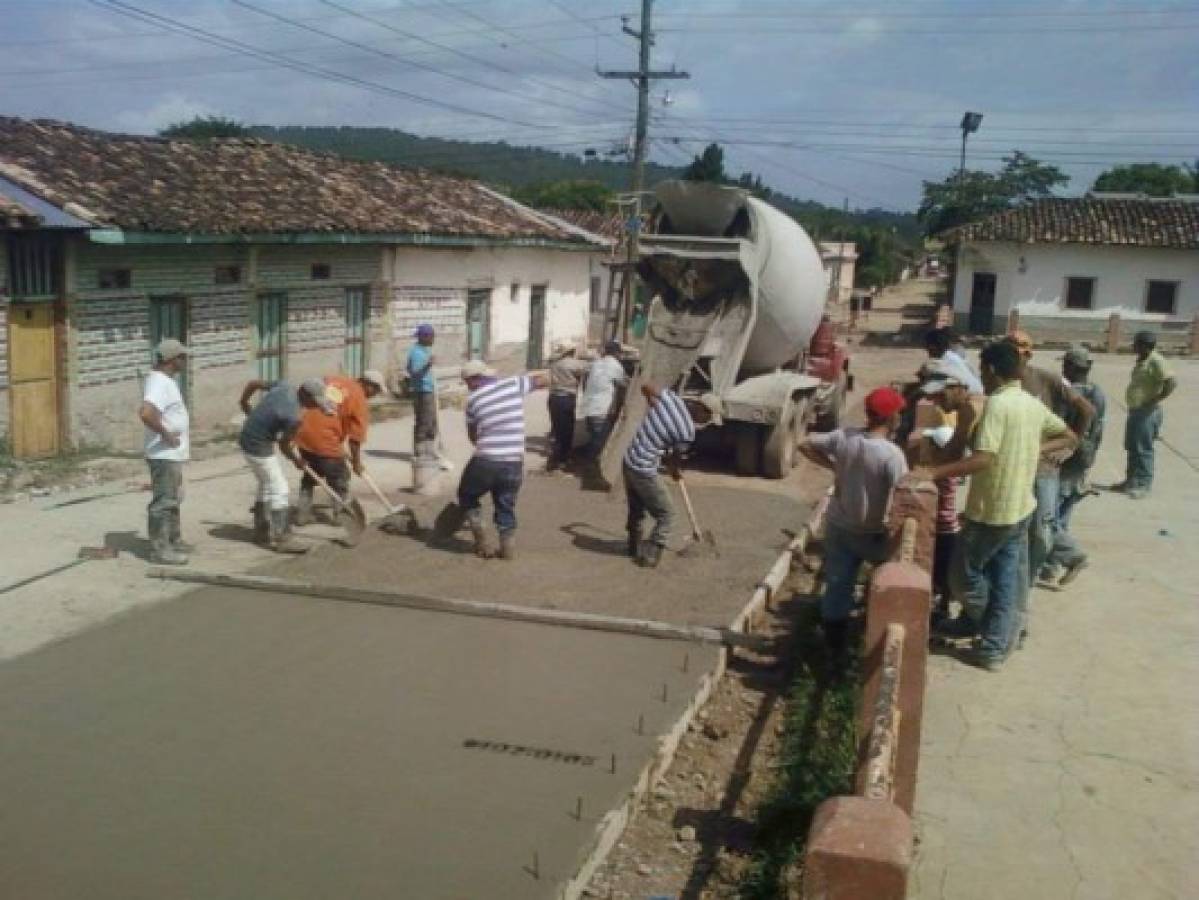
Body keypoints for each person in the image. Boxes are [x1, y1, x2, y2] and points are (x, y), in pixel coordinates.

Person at [917, 341, 1077, 672]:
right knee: (1005, 578)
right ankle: (994, 642)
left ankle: (994, 628)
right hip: (1020, 506)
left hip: (993, 509)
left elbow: (983, 459)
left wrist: (932, 473)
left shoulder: (998, 406)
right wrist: (1033, 448)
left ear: (990, 370)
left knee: (962, 577)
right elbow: (1070, 436)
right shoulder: (1029, 404)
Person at [800, 387, 909, 659]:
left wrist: (833, 467)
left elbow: (805, 444)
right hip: (873, 532)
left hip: (839, 524)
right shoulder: (891, 455)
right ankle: (874, 636)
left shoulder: (845, 437)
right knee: (888, 576)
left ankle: (833, 648)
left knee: (838, 584)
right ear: (892, 417)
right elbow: (903, 493)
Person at [1006, 329, 1094, 591]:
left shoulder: (1046, 378)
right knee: (1021, 523)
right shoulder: (1001, 381)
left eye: (1020, 354)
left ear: (1028, 355)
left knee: (1042, 527)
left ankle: (1062, 561)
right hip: (1014, 465)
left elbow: (1087, 410)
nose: (1016, 360)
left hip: (1043, 466)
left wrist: (1071, 442)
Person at [458, 360, 549, 561]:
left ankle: (481, 542)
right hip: (514, 461)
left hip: (486, 460)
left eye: (467, 382)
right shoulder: (512, 385)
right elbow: (543, 380)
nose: (467, 386)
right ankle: (507, 550)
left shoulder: (472, 401)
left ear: (473, 381)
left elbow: (473, 436)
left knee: (467, 495)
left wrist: (484, 445)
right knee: (505, 504)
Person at [622, 385, 722, 569]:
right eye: (708, 417)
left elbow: (646, 386)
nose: (707, 423)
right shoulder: (687, 432)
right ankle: (652, 554)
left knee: (637, 508)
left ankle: (633, 545)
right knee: (667, 514)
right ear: (702, 409)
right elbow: (672, 461)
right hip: (644, 469)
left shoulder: (671, 399)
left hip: (629, 461)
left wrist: (653, 405)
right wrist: (675, 471)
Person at [913, 363, 982, 615]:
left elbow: (975, 460)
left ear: (958, 388)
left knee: (968, 575)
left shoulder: (976, 410)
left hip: (992, 505)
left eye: (941, 395)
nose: (937, 402)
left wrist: (931, 472)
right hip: (976, 504)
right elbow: (953, 451)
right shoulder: (964, 413)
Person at [238, 378, 337, 553]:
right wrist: (297, 460)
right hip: (257, 444)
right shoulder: (293, 416)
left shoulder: (285, 386)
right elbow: (284, 445)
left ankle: (261, 531)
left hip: (247, 436)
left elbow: (253, 383)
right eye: (314, 402)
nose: (315, 406)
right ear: (305, 394)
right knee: (280, 488)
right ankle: (281, 538)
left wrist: (244, 401)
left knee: (266, 484)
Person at [1043, 346, 1105, 585]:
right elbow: (1099, 430)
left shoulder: (1066, 393)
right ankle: (1052, 564)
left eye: (1065, 364)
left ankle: (1064, 559)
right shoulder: (1097, 393)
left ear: (1071, 366)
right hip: (1083, 457)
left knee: (1047, 514)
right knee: (1063, 512)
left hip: (1063, 457)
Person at [292, 370, 385, 525]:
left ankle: (302, 513)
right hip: (326, 441)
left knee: (311, 473)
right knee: (340, 478)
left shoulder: (333, 379)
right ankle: (342, 516)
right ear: (369, 386)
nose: (374, 395)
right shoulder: (359, 400)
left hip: (303, 434)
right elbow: (355, 439)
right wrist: (356, 462)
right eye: (376, 391)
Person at [138, 338, 192, 566]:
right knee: (164, 501)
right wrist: (167, 434)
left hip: (172, 454)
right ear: (172, 359)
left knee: (174, 498)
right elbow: (146, 413)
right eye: (182, 357)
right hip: (164, 454)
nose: (185, 361)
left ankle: (173, 539)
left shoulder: (164, 381)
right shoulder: (159, 382)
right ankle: (161, 550)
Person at [1114, 330, 1177, 499]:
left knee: (1143, 449)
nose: (1134, 346)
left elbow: (1171, 382)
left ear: (1145, 346)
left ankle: (1143, 484)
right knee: (1132, 447)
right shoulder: (1142, 360)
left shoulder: (1156, 361)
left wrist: (1156, 399)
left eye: (1136, 344)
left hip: (1147, 413)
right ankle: (1131, 481)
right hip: (1135, 410)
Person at [580, 340, 629, 462]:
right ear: (617, 353)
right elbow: (623, 384)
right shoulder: (616, 366)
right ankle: (591, 467)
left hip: (589, 406)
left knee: (594, 437)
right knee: (600, 441)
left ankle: (588, 462)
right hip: (602, 408)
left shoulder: (596, 363)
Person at [545, 341, 588, 471]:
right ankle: (562, 459)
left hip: (553, 398)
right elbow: (587, 370)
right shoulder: (574, 364)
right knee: (567, 430)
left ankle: (556, 458)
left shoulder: (555, 364)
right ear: (572, 351)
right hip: (566, 398)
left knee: (557, 429)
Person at [923, 327, 984, 395]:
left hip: (971, 397)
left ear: (932, 347)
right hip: (978, 391)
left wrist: (914, 397)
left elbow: (929, 388)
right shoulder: (952, 356)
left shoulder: (941, 363)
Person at [407, 324, 437, 459]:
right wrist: (428, 365)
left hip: (428, 389)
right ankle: (420, 451)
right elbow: (414, 372)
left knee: (431, 421)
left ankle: (430, 450)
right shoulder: (416, 353)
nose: (433, 339)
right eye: (431, 336)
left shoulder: (424, 350)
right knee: (424, 421)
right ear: (424, 337)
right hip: (422, 391)